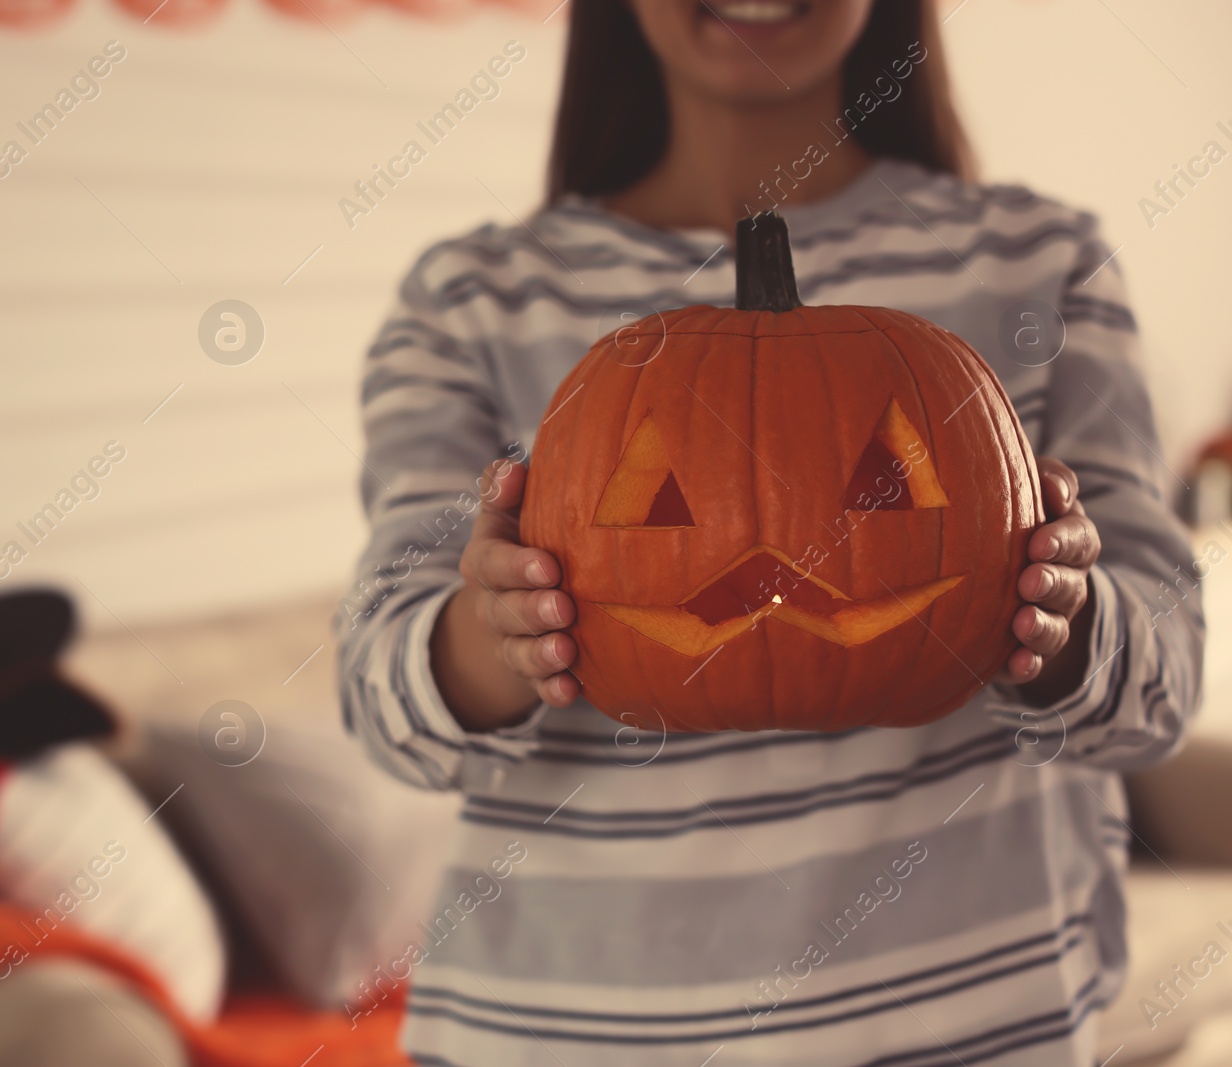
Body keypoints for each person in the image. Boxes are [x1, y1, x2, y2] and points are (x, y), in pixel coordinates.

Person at [336, 0, 1204, 1063]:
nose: (771, 564)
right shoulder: (471, 299)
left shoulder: (1041, 260)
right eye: (660, 504)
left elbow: (1162, 683)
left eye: (882, 486)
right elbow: (382, 699)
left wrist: (1058, 623)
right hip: (573, 1030)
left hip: (971, 1023)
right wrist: (495, 628)